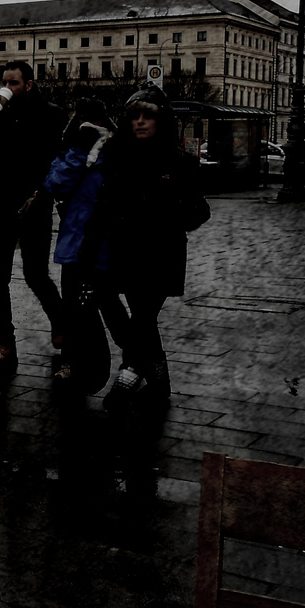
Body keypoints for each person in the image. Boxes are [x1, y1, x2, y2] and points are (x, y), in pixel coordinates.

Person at [91, 83, 210, 411]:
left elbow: (199, 209)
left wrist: (168, 212)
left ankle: (130, 370)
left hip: (161, 253)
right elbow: (103, 204)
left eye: (148, 116)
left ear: (162, 121)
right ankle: (159, 380)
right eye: (134, 116)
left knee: (144, 315)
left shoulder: (180, 162)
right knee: (122, 306)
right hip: (125, 250)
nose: (140, 122)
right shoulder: (117, 157)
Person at [0, 60, 66, 370]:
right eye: (4, 82)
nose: (7, 88)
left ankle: (61, 322)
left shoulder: (50, 114)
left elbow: (47, 156)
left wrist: (40, 194)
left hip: (34, 203)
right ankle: (5, 343)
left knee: (35, 274)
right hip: (2, 203)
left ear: (28, 84)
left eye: (13, 83)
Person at [43, 99, 125, 389]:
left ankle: (137, 359)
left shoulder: (115, 152)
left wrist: (98, 150)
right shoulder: (71, 150)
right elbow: (55, 184)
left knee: (106, 306)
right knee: (75, 309)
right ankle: (79, 365)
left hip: (102, 243)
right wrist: (80, 151)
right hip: (74, 242)